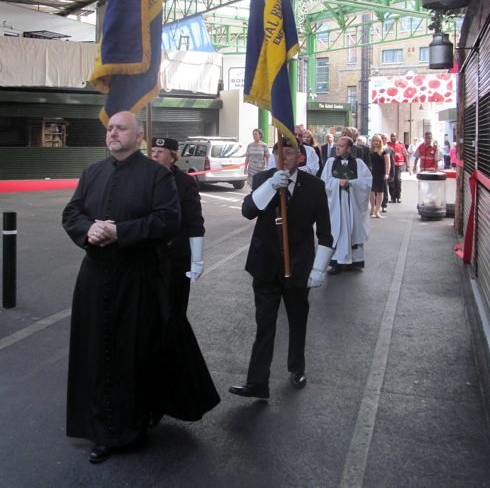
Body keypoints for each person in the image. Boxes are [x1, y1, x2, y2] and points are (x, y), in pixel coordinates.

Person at [62, 112, 219, 464]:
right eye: (110, 129)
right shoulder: (92, 173)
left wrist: (121, 232)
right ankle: (100, 427)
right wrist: (88, 230)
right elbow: (71, 214)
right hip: (94, 276)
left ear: (139, 136)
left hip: (138, 278)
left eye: (121, 128)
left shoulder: (157, 175)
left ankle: (127, 427)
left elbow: (168, 219)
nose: (113, 133)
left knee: (130, 354)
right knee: (95, 353)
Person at [229, 138, 334, 398]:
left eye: (289, 152)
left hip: (298, 268)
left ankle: (296, 368)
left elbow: (326, 233)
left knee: (298, 322)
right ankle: (257, 383)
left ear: (300, 157)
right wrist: (269, 187)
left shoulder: (314, 186)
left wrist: (319, 269)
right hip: (265, 266)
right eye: (279, 152)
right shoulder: (264, 177)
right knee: (264, 325)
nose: (284, 157)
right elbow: (247, 211)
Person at [151, 137, 205, 313]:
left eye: (160, 152)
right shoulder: (143, 178)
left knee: (175, 308)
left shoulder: (185, 182)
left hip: (175, 255)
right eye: (152, 151)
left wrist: (197, 260)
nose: (154, 155)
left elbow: (194, 221)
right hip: (147, 256)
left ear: (172, 157)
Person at [322, 136, 372, 275]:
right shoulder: (331, 162)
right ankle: (336, 262)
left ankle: (354, 261)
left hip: (353, 204)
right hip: (336, 205)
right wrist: (338, 183)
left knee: (353, 229)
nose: (337, 148)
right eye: (337, 145)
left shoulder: (358, 163)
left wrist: (351, 183)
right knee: (336, 231)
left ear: (349, 148)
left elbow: (366, 181)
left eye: (341, 146)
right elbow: (324, 181)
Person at [369, 134, 391, 218]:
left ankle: (377, 210)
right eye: (374, 141)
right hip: (371, 173)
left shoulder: (384, 150)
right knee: (371, 191)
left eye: (377, 141)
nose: (376, 142)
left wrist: (387, 173)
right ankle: (372, 208)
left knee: (380, 192)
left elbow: (387, 163)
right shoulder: (369, 150)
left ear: (380, 142)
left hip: (381, 173)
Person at [386, 132, 408, 203]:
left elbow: (405, 155)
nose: (393, 138)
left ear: (397, 137)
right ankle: (392, 197)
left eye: (394, 136)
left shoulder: (401, 145)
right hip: (391, 165)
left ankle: (398, 196)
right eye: (391, 136)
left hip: (398, 165)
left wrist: (408, 165)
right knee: (391, 181)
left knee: (397, 180)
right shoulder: (388, 144)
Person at [380, 133, 395, 213]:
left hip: (385, 172)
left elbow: (391, 163)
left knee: (385, 189)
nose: (383, 140)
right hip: (377, 171)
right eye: (382, 138)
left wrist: (391, 174)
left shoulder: (390, 150)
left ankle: (384, 204)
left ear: (388, 140)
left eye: (385, 138)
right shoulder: (375, 148)